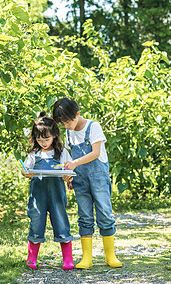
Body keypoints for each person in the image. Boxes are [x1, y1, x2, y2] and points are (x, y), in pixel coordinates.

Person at [52, 97, 122, 269]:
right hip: (80, 180)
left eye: (68, 122)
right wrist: (69, 175)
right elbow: (71, 158)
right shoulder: (69, 133)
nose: (66, 126)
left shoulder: (93, 127)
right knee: (84, 217)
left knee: (105, 215)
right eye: (63, 124)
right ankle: (87, 258)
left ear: (77, 114)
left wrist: (75, 163)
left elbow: (95, 153)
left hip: (98, 178)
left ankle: (110, 256)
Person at [21, 112, 74, 270]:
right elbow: (24, 170)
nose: (43, 143)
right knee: (36, 222)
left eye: (47, 139)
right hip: (38, 196)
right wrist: (26, 173)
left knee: (61, 222)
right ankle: (32, 257)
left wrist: (68, 178)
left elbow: (70, 172)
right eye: (39, 139)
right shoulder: (34, 155)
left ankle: (68, 259)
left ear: (55, 136)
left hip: (56, 195)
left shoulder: (62, 153)